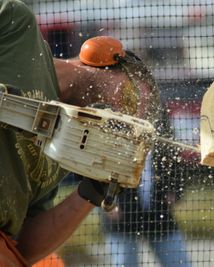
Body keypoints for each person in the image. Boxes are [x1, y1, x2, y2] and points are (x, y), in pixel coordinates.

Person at [0, 0, 160, 265]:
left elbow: (25, 248)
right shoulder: (18, 26)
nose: (119, 115)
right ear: (103, 57)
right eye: (129, 99)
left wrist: (92, 192)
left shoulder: (62, 156)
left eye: (127, 122)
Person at [101, 106, 191, 266]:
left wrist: (174, 194)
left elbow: (179, 171)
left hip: (158, 216)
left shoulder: (163, 141)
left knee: (178, 262)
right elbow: (98, 172)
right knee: (124, 262)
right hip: (122, 218)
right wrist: (107, 203)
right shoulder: (114, 134)